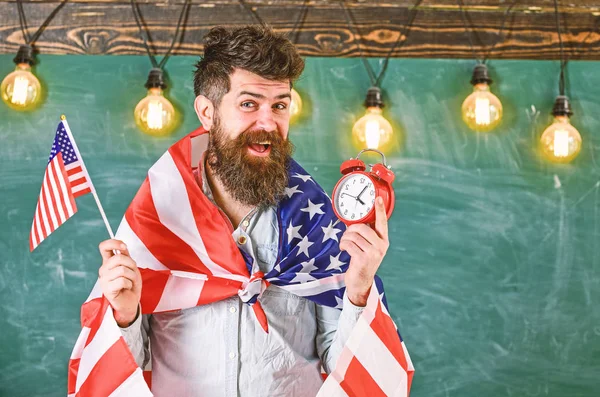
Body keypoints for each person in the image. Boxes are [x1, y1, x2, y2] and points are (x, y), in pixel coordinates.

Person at [97, 25, 390, 396]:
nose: (268, 123)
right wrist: (124, 316)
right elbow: (125, 374)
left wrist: (359, 288)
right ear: (207, 112)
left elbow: (346, 373)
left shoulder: (316, 218)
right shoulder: (160, 213)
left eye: (279, 105)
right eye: (249, 104)